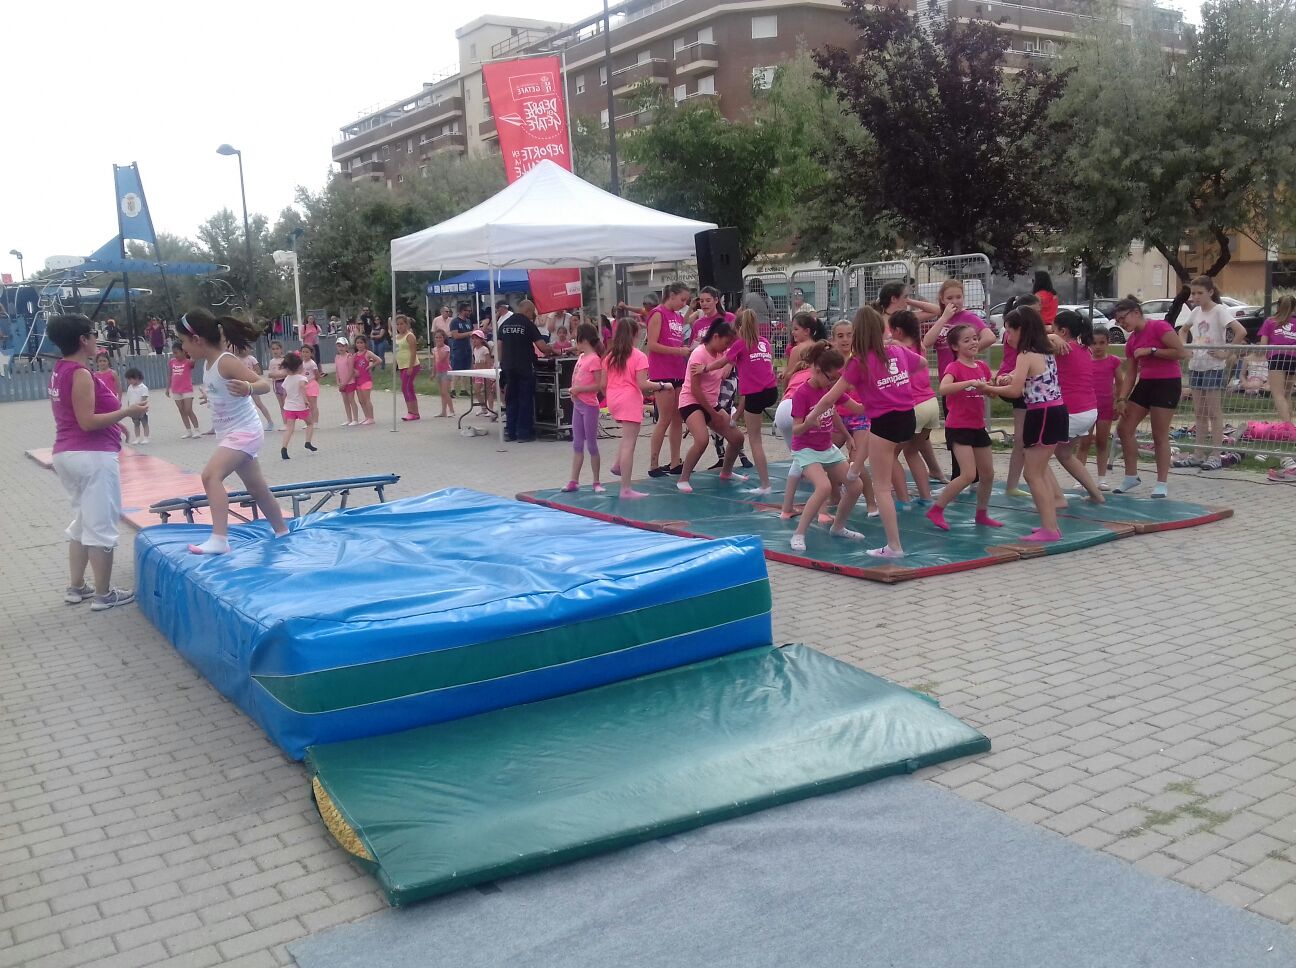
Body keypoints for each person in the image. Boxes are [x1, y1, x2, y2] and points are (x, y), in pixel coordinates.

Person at [46, 315, 148, 609]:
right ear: (83, 340)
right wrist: (127, 412)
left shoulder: (60, 369)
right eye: (92, 334)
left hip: (68, 454)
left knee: (83, 522)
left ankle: (77, 587)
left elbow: (78, 414)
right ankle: (104, 594)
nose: (96, 339)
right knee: (101, 525)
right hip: (91, 456)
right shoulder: (79, 373)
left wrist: (116, 423)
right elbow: (87, 421)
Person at [803, 306, 922, 559]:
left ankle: (894, 546)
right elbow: (921, 363)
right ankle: (855, 470)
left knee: (881, 487)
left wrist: (811, 417)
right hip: (907, 417)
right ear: (882, 329)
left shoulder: (860, 362)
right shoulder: (898, 350)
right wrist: (896, 376)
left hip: (887, 421)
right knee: (870, 432)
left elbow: (830, 398)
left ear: (858, 333)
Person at [175, 309, 288, 555]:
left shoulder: (225, 361)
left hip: (245, 431)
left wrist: (248, 387)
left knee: (210, 476)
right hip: (231, 433)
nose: (183, 347)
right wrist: (211, 397)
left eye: (183, 341)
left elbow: (263, 384)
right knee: (257, 487)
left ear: (197, 339)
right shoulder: (208, 364)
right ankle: (282, 530)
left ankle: (219, 539)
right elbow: (222, 388)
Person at [984, 306, 1069, 541]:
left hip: (1043, 413)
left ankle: (1050, 529)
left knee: (1033, 474)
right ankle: (1050, 525)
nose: (1007, 337)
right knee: (1038, 473)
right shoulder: (1043, 349)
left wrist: (987, 388)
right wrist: (1009, 377)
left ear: (1021, 329)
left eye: (1009, 331)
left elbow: (1014, 391)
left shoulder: (1026, 353)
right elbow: (1030, 375)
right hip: (1054, 411)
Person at [788, 342, 864, 552]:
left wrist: (876, 396)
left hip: (826, 448)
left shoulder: (831, 389)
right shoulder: (802, 394)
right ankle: (798, 533)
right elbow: (796, 430)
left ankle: (838, 527)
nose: (835, 382)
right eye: (832, 377)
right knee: (823, 487)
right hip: (805, 449)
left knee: (856, 485)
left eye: (838, 378)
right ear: (817, 370)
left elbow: (855, 409)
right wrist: (809, 423)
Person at [926, 324, 1002, 531]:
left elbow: (990, 393)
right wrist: (968, 383)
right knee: (968, 474)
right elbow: (944, 388)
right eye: (966, 340)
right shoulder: (954, 367)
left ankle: (982, 514)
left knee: (988, 474)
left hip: (978, 426)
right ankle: (937, 509)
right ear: (955, 346)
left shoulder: (982, 367)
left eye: (975, 338)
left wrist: (994, 387)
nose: (973, 343)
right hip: (959, 427)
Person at [1112, 296, 1188, 497]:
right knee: (1124, 428)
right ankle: (1131, 476)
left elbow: (1180, 352)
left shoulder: (1159, 327)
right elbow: (1131, 373)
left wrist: (1152, 351)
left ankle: (1161, 482)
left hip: (1167, 383)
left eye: (1123, 318)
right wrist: (1121, 398)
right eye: (1118, 321)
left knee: (1159, 434)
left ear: (1136, 313)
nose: (1122, 323)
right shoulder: (1132, 341)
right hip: (1146, 383)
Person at [922, 279, 995, 478]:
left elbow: (990, 337)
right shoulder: (942, 318)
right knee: (955, 430)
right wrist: (944, 317)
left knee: (968, 428)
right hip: (949, 379)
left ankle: (969, 474)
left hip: (966, 378)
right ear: (941, 300)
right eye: (950, 298)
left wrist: (969, 350)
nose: (955, 301)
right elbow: (926, 342)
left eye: (958, 297)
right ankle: (962, 473)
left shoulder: (968, 317)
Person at [1180, 275, 1245, 470]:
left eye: (1200, 293)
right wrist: (1185, 349)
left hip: (1213, 367)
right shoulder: (1195, 312)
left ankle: (1216, 454)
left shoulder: (1219, 311)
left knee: (1214, 412)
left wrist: (1227, 352)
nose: (1195, 297)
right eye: (1193, 293)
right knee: (1199, 412)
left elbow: (1240, 331)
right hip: (1196, 366)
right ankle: (1198, 453)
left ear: (1210, 292)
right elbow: (1183, 330)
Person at [709, 308, 777, 493]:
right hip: (771, 391)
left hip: (755, 395)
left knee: (755, 440)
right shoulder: (765, 343)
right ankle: (736, 416)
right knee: (750, 398)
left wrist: (705, 368)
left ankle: (765, 485)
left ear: (738, 328)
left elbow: (722, 362)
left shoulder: (740, 344)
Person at [675, 320, 745, 494]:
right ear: (715, 337)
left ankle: (726, 472)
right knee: (702, 440)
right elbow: (695, 389)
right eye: (726, 342)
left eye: (730, 344)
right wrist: (713, 414)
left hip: (712, 403)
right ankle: (683, 478)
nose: (727, 346)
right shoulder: (698, 354)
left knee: (737, 439)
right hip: (691, 402)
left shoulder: (724, 354)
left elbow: (738, 350)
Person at [604, 318, 666, 499]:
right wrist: (662, 385)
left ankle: (617, 464)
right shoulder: (638, 356)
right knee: (630, 443)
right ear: (635, 334)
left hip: (613, 398)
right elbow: (642, 384)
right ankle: (625, 488)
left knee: (627, 437)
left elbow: (605, 382)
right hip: (629, 399)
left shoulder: (610, 356)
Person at [1051, 310, 1104, 503]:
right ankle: (1096, 494)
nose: (1051, 332)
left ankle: (1057, 498)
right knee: (1064, 454)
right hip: (1089, 411)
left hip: (1072, 412)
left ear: (1063, 332)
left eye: (1053, 329)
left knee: (1034, 456)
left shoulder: (1063, 348)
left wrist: (1052, 338)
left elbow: (1034, 341)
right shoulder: (1084, 349)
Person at [645, 283, 692, 475]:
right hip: (662, 372)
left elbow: (677, 340)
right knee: (664, 418)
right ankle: (653, 463)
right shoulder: (658, 314)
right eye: (682, 299)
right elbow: (652, 344)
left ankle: (675, 461)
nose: (684, 303)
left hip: (678, 370)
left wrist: (683, 351)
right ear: (671, 295)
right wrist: (678, 351)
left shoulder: (678, 317)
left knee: (677, 418)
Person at [1000, 293, 1041, 495]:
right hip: (1014, 382)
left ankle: (1012, 485)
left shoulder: (1027, 338)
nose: (1038, 318)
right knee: (1024, 439)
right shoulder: (1019, 337)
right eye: (1035, 313)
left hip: (1018, 381)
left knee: (1024, 439)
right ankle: (1014, 485)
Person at [497, 299, 553, 443]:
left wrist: (502, 364)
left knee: (511, 399)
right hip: (524, 366)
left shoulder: (504, 324)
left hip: (508, 366)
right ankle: (523, 433)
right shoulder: (527, 324)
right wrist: (553, 350)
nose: (532, 316)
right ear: (528, 311)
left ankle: (510, 432)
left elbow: (499, 346)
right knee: (525, 399)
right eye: (532, 313)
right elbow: (542, 347)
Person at [1074, 327, 1124, 490]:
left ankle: (1102, 478)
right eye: (1094, 343)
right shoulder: (1085, 360)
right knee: (1084, 442)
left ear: (1108, 343)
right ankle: (1079, 478)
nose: (1098, 347)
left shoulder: (1113, 361)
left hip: (1105, 406)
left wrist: (1117, 401)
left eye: (1102, 343)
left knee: (1102, 442)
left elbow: (1120, 383)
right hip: (1087, 406)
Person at [564, 323, 607, 493]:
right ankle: (573, 480)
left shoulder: (594, 359)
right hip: (578, 404)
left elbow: (598, 385)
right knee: (577, 443)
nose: (575, 342)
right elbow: (577, 378)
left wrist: (579, 389)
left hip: (589, 406)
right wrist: (574, 390)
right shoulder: (582, 357)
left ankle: (596, 481)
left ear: (584, 340)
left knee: (591, 444)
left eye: (577, 338)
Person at [1259, 294, 1296, 427]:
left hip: (1277, 357)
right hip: (1293, 358)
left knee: (1278, 394)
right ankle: (1290, 424)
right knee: (1287, 394)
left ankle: (1288, 427)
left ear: (1278, 306)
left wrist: (1265, 355)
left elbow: (1263, 345)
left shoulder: (1270, 321)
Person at [278, 352, 318, 459]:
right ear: (300, 367)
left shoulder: (287, 379)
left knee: (289, 428)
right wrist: (305, 400)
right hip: (300, 406)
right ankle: (308, 442)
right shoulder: (302, 378)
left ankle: (284, 448)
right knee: (310, 423)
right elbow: (302, 387)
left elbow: (284, 393)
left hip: (289, 407)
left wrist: (284, 403)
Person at [167, 341, 200, 438]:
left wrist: (190, 350)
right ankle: (188, 430)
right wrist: (167, 388)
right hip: (176, 389)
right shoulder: (172, 362)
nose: (175, 355)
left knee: (188, 409)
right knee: (181, 410)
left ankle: (197, 430)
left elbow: (194, 360)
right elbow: (170, 375)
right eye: (173, 353)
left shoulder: (188, 362)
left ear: (183, 352)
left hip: (187, 389)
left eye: (176, 352)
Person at [393, 314, 421, 421]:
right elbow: (397, 351)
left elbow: (413, 352)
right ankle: (415, 412)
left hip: (411, 365)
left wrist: (410, 367)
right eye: (398, 324)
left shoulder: (409, 336)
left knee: (405, 387)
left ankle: (411, 412)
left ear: (406, 324)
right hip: (402, 365)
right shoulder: (396, 337)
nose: (400, 326)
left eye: (402, 324)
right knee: (409, 388)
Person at [350, 336, 381, 425]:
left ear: (365, 344)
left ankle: (371, 418)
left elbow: (379, 360)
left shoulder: (368, 353)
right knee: (361, 400)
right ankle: (366, 416)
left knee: (367, 399)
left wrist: (370, 366)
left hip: (366, 379)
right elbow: (351, 366)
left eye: (361, 343)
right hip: (358, 380)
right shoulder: (355, 355)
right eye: (358, 343)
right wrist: (354, 371)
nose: (359, 345)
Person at [449, 302, 475, 395]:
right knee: (457, 369)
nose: (469, 312)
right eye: (467, 311)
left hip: (467, 348)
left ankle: (464, 389)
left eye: (470, 311)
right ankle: (452, 389)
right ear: (461, 311)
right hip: (458, 348)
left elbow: (471, 334)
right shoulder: (455, 322)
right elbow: (455, 335)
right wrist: (469, 333)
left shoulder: (468, 321)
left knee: (466, 369)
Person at [334, 337, 360, 426]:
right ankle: (349, 419)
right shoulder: (337, 357)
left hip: (350, 382)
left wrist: (345, 383)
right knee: (345, 401)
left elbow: (351, 371)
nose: (341, 348)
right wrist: (338, 382)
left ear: (346, 347)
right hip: (342, 383)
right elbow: (337, 370)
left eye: (343, 346)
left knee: (351, 400)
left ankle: (355, 419)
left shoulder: (349, 357)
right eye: (339, 346)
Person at [470, 329, 496, 416]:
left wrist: (487, 372)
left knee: (488, 391)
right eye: (473, 338)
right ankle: (483, 407)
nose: (474, 340)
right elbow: (474, 362)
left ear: (481, 339)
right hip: (478, 373)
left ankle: (490, 409)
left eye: (476, 338)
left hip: (485, 372)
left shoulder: (484, 349)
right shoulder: (474, 349)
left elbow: (488, 362)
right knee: (477, 390)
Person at [122, 367, 150, 444]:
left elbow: (144, 399)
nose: (128, 381)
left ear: (136, 377)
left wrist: (141, 409)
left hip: (141, 410)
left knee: (144, 423)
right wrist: (129, 408)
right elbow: (129, 398)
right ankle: (137, 438)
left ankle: (146, 437)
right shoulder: (130, 387)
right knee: (136, 424)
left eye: (130, 379)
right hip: (133, 410)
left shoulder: (143, 387)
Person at [431, 329, 454, 418]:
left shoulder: (446, 348)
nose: (438, 339)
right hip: (439, 372)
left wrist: (439, 348)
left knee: (445, 392)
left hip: (446, 371)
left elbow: (441, 358)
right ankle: (443, 411)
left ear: (444, 338)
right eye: (436, 337)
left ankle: (451, 410)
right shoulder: (434, 349)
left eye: (440, 337)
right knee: (442, 393)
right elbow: (434, 362)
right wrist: (433, 373)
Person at [299, 344, 321, 428]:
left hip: (312, 384)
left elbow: (317, 375)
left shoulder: (312, 363)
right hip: (304, 386)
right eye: (303, 352)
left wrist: (316, 384)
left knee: (313, 405)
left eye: (307, 352)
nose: (305, 354)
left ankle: (315, 422)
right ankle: (309, 422)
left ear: (311, 353)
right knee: (307, 405)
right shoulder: (301, 363)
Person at [267, 341, 287, 423]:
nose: (275, 351)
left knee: (286, 404)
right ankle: (285, 423)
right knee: (281, 405)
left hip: (285, 383)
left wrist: (277, 374)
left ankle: (290, 422)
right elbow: (270, 374)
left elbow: (286, 373)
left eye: (277, 348)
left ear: (281, 349)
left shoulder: (284, 360)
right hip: (276, 384)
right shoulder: (272, 361)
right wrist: (276, 375)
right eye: (273, 349)